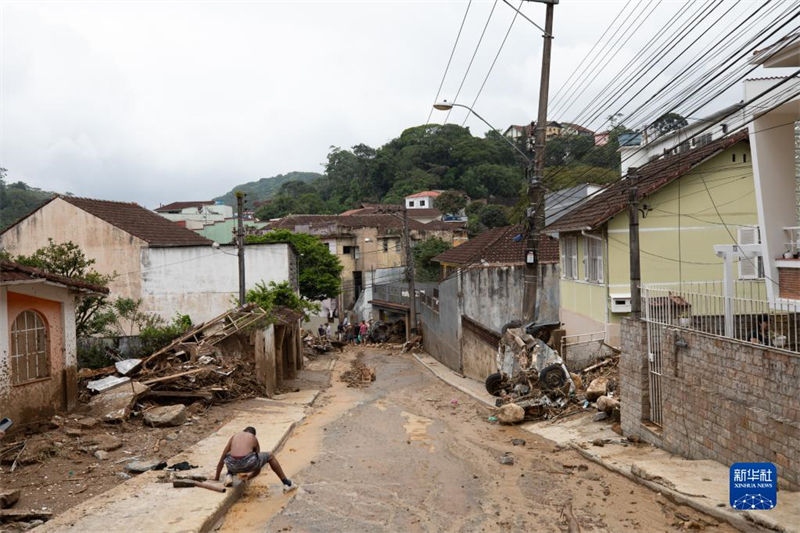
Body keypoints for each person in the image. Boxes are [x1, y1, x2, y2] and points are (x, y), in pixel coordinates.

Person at [214, 426, 297, 492]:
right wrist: (249, 477)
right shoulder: (253, 438)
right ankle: (287, 483)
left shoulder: (234, 437)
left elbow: (222, 459)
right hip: (248, 463)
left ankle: (229, 475)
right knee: (270, 456)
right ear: (253, 434)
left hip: (232, 465)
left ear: (243, 431)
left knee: (229, 455)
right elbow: (257, 465)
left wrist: (216, 477)